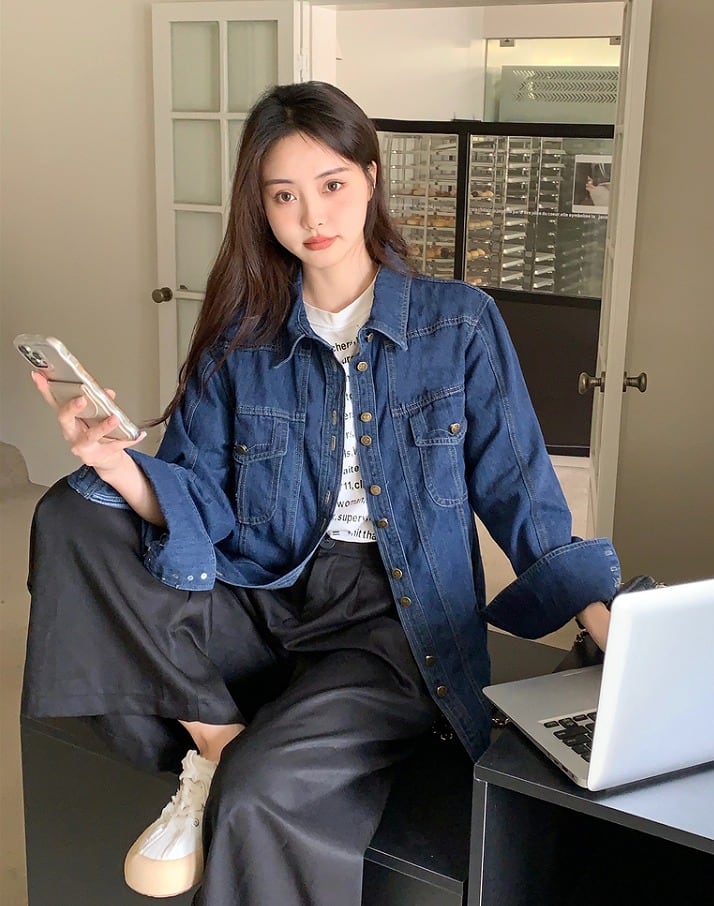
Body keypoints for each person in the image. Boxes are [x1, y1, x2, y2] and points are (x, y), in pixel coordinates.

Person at [21, 81, 620, 905]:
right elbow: (198, 502)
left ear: (369, 177)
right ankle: (214, 738)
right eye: (283, 195)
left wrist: (607, 630)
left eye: (331, 183)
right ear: (260, 207)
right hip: (259, 595)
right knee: (74, 508)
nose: (311, 215)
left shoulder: (457, 322)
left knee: (261, 794)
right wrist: (118, 464)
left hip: (389, 616)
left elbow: (523, 496)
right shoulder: (241, 339)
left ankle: (231, 766)